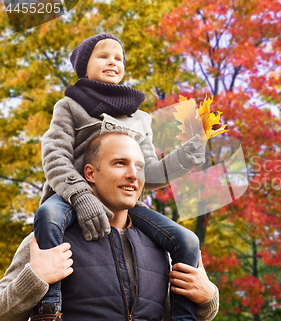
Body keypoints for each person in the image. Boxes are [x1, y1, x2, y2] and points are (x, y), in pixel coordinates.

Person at [33, 34, 206, 320]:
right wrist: (81, 196)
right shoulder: (70, 106)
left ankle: (183, 316)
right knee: (47, 216)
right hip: (70, 196)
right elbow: (55, 157)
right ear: (83, 67)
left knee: (187, 240)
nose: (113, 62)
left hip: (123, 205)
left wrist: (182, 159)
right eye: (103, 56)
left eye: (119, 58)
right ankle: (49, 307)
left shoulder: (141, 119)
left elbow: (147, 172)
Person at [0, 131, 219, 321]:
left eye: (140, 166)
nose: (133, 174)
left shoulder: (162, 248)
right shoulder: (49, 241)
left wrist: (208, 299)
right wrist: (33, 279)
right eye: (120, 163)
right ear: (90, 174)